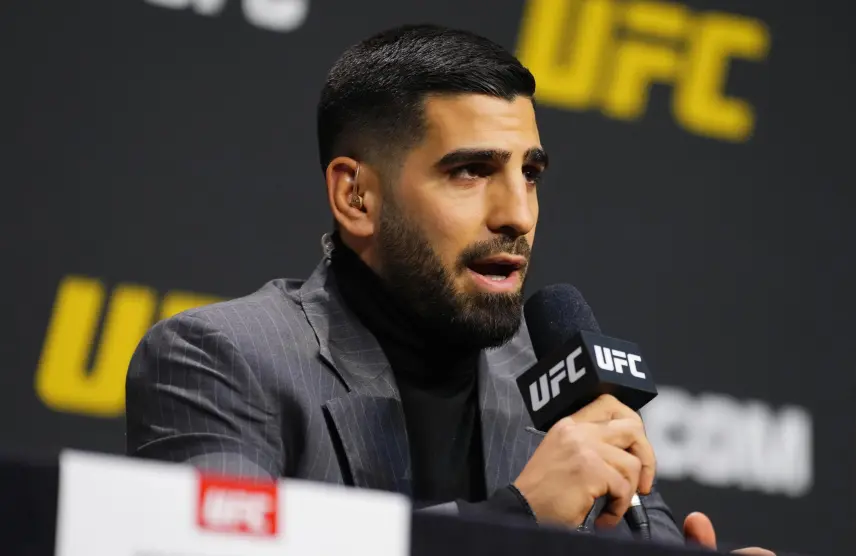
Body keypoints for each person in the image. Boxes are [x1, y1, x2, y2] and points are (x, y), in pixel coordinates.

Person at [125, 23, 771, 554]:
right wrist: (515, 520)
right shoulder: (222, 360)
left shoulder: (560, 395)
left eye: (530, 174)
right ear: (356, 196)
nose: (517, 214)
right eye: (471, 171)